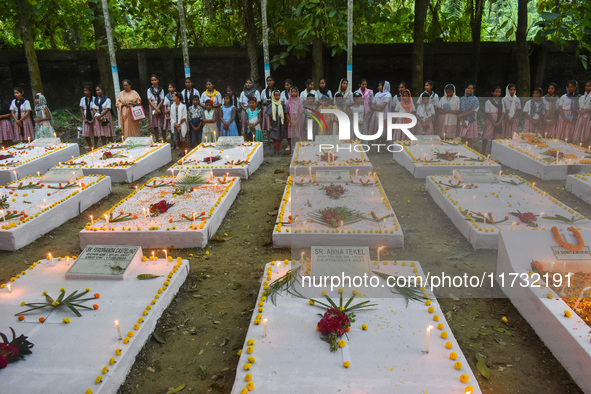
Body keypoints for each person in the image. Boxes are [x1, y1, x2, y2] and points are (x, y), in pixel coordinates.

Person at [266, 90, 289, 155]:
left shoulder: (282, 105)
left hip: (281, 123)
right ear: (273, 96)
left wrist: (284, 123)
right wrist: (270, 125)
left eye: (279, 95)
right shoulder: (271, 105)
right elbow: (270, 116)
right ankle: (275, 150)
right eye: (276, 95)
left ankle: (279, 150)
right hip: (274, 123)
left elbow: (285, 114)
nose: (277, 97)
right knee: (275, 137)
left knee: (280, 137)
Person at [482, 86, 503, 155]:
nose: (498, 94)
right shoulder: (488, 102)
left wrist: (499, 122)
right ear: (492, 92)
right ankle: (483, 151)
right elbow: (487, 113)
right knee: (486, 136)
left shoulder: (501, 102)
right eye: (496, 92)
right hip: (490, 121)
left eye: (499, 92)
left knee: (494, 137)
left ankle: (492, 152)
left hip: (498, 121)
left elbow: (503, 113)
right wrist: (493, 122)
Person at [147, 74, 165, 143]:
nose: (154, 81)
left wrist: (158, 108)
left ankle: (164, 139)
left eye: (155, 80)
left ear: (158, 80)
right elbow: (149, 100)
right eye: (152, 80)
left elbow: (162, 99)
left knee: (161, 124)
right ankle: (157, 140)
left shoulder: (161, 89)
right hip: (152, 106)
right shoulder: (149, 90)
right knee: (155, 125)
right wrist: (155, 109)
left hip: (160, 106)